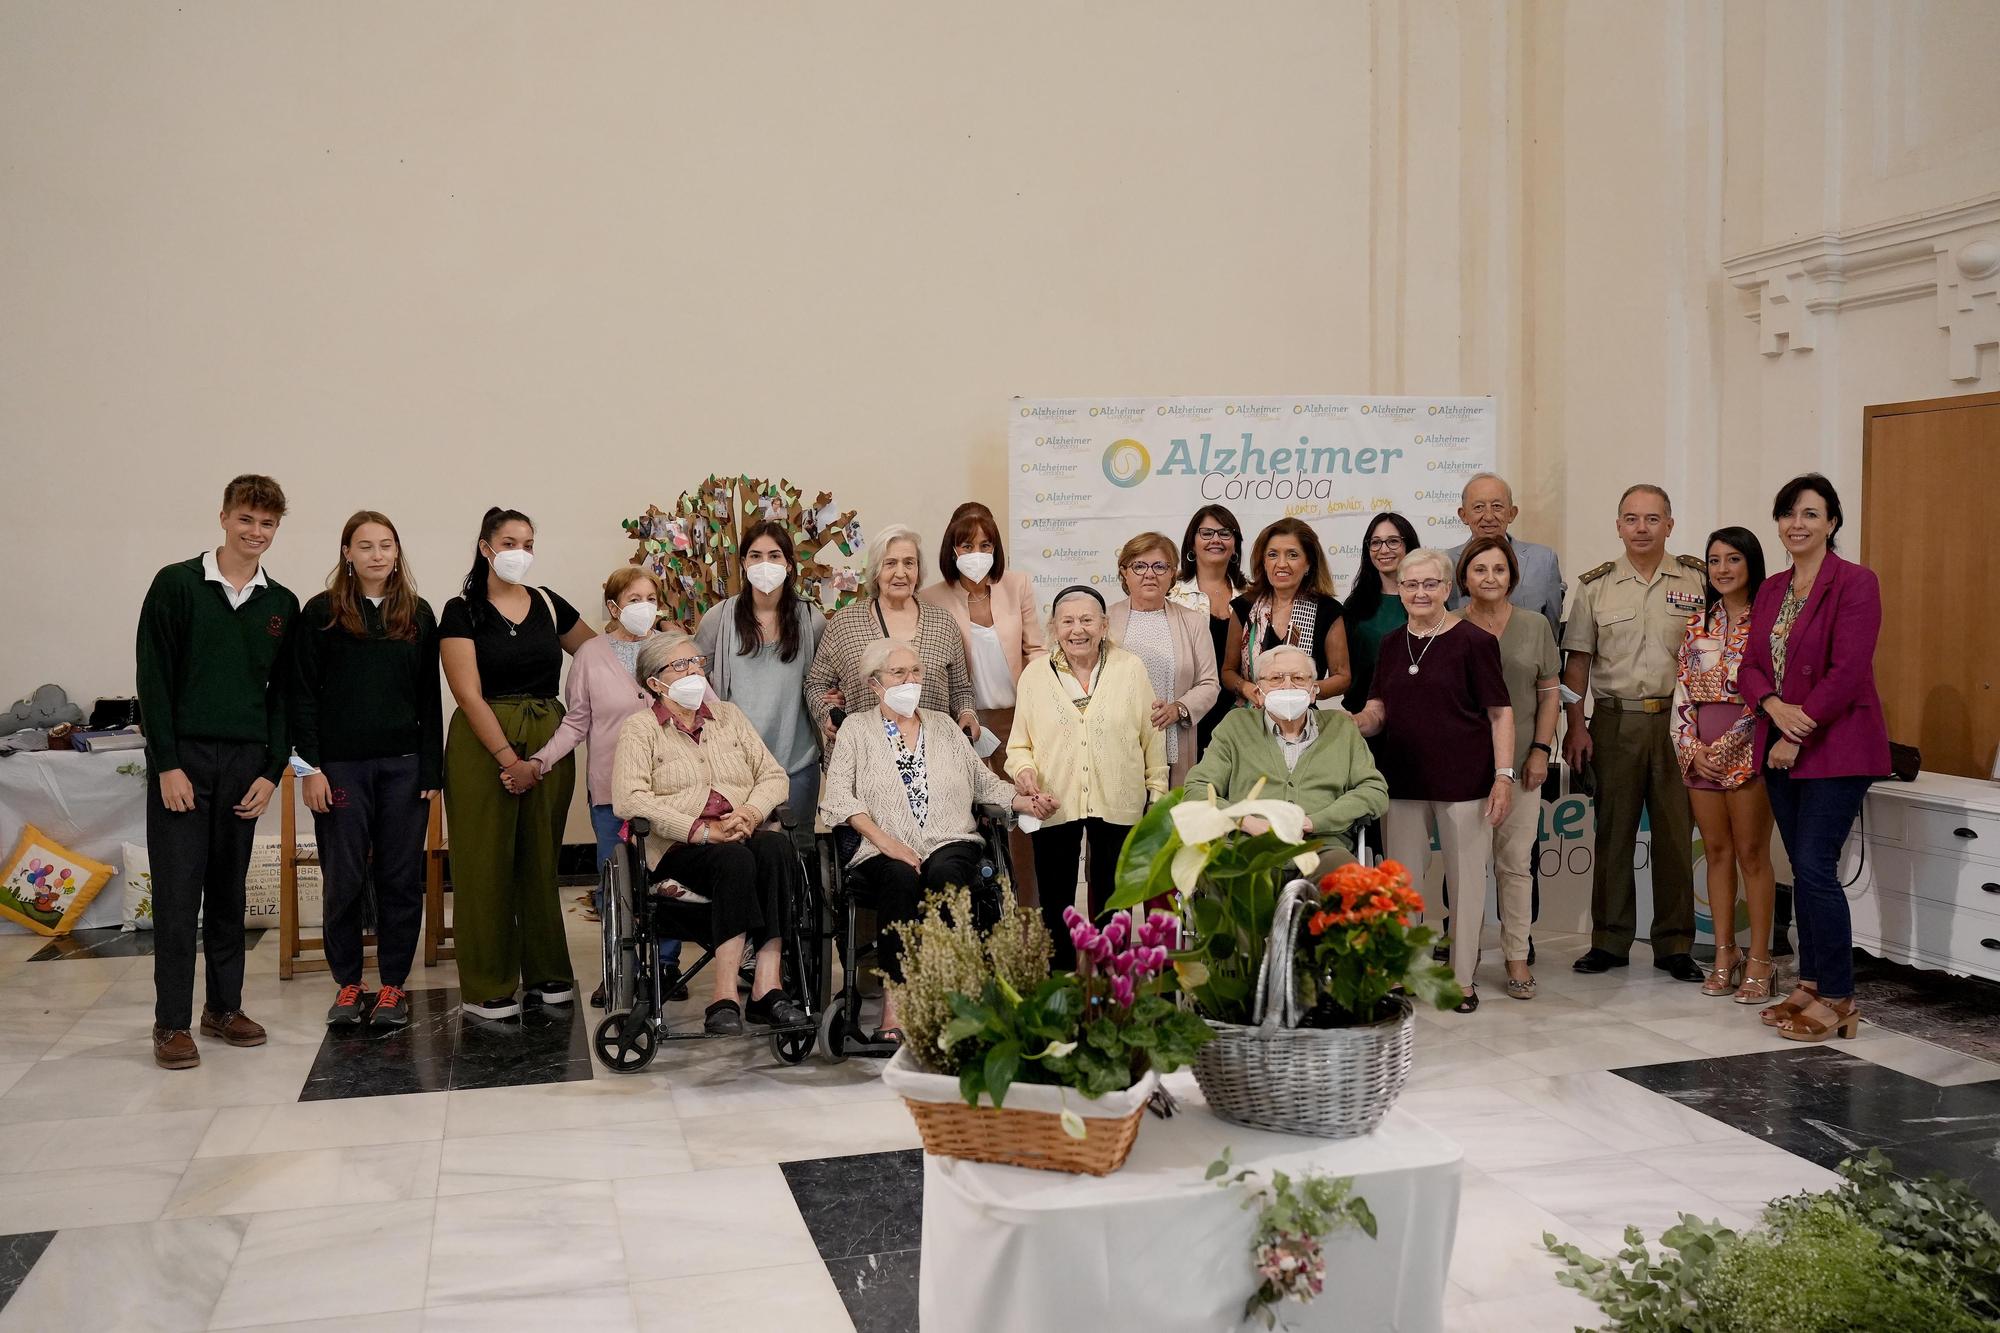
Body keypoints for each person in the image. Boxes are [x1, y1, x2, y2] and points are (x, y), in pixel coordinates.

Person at [136, 474, 299, 1069]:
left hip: (244, 765)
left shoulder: (280, 603)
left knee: (230, 893)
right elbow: (153, 678)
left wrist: (272, 768)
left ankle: (224, 1009)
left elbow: (282, 697)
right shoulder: (177, 585)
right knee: (179, 896)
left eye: (268, 524)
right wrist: (168, 764)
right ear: (225, 516)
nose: (256, 533)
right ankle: (170, 1023)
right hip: (186, 763)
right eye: (246, 520)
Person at [819, 639, 1053, 1044]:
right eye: (899, 673)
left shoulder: (944, 726)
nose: (911, 680)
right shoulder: (856, 729)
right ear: (875, 684)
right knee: (899, 878)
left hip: (949, 839)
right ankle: (896, 1006)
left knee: (945, 874)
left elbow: (984, 784)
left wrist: (1025, 802)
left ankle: (947, 999)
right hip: (882, 846)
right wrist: (886, 842)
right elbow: (839, 798)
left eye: (916, 672)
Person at [1737, 475, 1888, 1043]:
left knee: (1816, 867)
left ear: (1831, 523)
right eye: (1787, 514)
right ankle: (1811, 981)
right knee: (1800, 868)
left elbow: (1848, 671)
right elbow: (1750, 666)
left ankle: (1841, 997)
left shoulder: (1855, 583)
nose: (1796, 523)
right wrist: (1773, 706)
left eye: (1810, 513)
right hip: (1781, 745)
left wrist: (1796, 731)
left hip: (1839, 746)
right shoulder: (1773, 588)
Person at [611, 631, 810, 1036]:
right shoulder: (640, 729)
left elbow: (773, 775)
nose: (693, 672)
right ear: (655, 682)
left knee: (774, 848)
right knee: (734, 858)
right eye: (680, 665)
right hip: (679, 847)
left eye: (696, 663)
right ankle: (723, 995)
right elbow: (630, 800)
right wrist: (699, 830)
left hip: (741, 829)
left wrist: (751, 813)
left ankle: (766, 987)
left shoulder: (730, 718)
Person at [439, 507, 594, 1020]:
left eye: (528, 544)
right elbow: (466, 692)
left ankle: (547, 972)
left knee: (540, 860)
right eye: (509, 543)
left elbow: (598, 659)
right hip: (484, 746)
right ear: (485, 547)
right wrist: (509, 757)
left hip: (549, 744)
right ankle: (488, 984)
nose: (520, 553)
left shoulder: (549, 605)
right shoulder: (462, 610)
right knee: (484, 864)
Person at [290, 510, 442, 1029]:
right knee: (345, 878)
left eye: (387, 545)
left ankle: (393, 986)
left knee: (401, 878)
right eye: (365, 546)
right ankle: (349, 983)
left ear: (397, 552)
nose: (377, 555)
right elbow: (301, 698)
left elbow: (429, 699)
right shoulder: (320, 614)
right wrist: (306, 769)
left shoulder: (418, 615)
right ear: (347, 554)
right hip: (339, 770)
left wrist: (431, 773)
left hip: (404, 769)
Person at [1355, 548, 1514, 1012]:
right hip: (1401, 781)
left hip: (1465, 782)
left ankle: (1462, 980)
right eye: (1410, 584)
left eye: (1430, 584)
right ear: (1399, 589)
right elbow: (1379, 709)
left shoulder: (1475, 641)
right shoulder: (1389, 643)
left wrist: (1503, 777)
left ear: (1448, 588)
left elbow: (1500, 714)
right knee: (1402, 885)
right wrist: (1352, 723)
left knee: (1466, 884)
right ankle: (1408, 972)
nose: (1420, 592)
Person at [1561, 484, 1707, 982]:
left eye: (1651, 519)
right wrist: (1575, 726)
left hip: (1679, 722)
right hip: (1614, 721)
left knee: (1673, 835)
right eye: (1631, 519)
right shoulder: (1595, 587)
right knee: (1613, 833)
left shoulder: (1696, 580)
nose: (1641, 528)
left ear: (1670, 524)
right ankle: (1609, 941)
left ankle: (1674, 944)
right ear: (1618, 525)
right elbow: (1577, 661)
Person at [529, 566, 678, 1007]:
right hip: (612, 791)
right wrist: (540, 760)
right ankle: (619, 968)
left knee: (668, 878)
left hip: (670, 790)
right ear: (613, 606)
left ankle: (667, 964)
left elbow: (703, 702)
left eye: (651, 598)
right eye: (634, 599)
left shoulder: (672, 649)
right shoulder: (592, 655)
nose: (644, 607)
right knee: (617, 883)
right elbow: (577, 721)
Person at [1007, 585, 1167, 969]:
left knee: (1115, 894)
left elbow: (1151, 735)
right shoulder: (1034, 675)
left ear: (1104, 625)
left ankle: (1112, 974)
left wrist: (1157, 791)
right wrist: (1025, 774)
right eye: (1067, 621)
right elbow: (1018, 747)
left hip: (1120, 797)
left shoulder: (1130, 668)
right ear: (1054, 628)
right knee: (1056, 894)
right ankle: (1061, 976)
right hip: (1054, 799)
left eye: (1086, 620)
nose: (1077, 630)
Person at [1672, 527, 1778, 1004]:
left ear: (1751, 564)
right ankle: (1724, 953)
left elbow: (1773, 695)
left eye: (1733, 559)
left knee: (1752, 854)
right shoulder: (1697, 624)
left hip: (1750, 749)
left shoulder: (1772, 625)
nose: (1722, 569)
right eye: (1714, 560)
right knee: (1715, 852)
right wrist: (1692, 747)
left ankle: (1760, 959)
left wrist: (1732, 745)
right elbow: (1682, 691)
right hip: (1700, 754)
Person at [918, 502, 1043, 903]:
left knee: (1022, 819)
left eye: (986, 545)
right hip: (961, 725)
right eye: (967, 546)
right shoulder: (931, 597)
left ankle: (1026, 917)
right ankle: (976, 915)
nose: (977, 555)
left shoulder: (1017, 584)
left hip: (1016, 721)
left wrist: (1041, 705)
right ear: (952, 550)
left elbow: (1036, 650)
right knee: (968, 822)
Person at [1183, 645, 1389, 874]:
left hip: (1322, 848)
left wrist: (1312, 822)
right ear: (1259, 691)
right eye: (1276, 678)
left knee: (1344, 880)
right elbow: (1197, 788)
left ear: (1313, 690)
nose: (1288, 685)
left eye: (1299, 678)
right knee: (1223, 875)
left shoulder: (1342, 728)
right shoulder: (1235, 726)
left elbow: (1374, 790)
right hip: (1248, 845)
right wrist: (1249, 822)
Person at [1457, 536, 1558, 1000]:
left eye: (1499, 569)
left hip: (1521, 765)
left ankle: (1516, 955)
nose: (1490, 578)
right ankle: (1465, 958)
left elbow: (1549, 693)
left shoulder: (1535, 625)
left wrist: (1540, 749)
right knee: (1466, 869)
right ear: (1464, 578)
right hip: (1462, 771)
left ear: (1512, 577)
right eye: (1480, 570)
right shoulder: (1449, 626)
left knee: (1516, 866)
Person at [697, 520, 827, 851]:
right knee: (741, 855)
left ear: (789, 565)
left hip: (795, 763)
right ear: (742, 563)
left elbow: (825, 680)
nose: (764, 564)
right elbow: (694, 679)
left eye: (774, 555)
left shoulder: (811, 619)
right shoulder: (719, 618)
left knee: (796, 855)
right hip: (734, 766)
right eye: (755, 556)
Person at [807, 523, 975, 752]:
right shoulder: (844, 623)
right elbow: (816, 684)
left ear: (918, 569)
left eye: (909, 563)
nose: (900, 573)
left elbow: (960, 689)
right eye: (890, 563)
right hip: (864, 759)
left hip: (933, 758)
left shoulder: (943, 624)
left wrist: (967, 713)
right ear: (876, 570)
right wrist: (827, 714)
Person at [1107, 531, 1219, 789]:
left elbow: (1209, 683)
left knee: (1168, 822)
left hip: (1174, 739)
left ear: (1172, 573)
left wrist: (1178, 708)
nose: (1150, 574)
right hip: (1118, 743)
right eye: (1139, 566)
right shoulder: (1105, 620)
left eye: (1160, 566)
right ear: (1124, 572)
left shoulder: (1193, 622)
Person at [1221, 517, 1352, 715]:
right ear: (1263, 562)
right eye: (1273, 555)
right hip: (1250, 716)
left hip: (1303, 720)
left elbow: (1342, 677)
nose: (1281, 564)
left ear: (1308, 564)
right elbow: (1228, 672)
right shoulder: (1244, 607)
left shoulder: (1328, 611)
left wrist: (1308, 690)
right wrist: (1247, 688)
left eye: (1292, 555)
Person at [1167, 504, 1248, 755]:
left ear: (1235, 545)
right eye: (1206, 533)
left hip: (1243, 715)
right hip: (1186, 714)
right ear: (1192, 543)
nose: (1216, 540)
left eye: (1225, 533)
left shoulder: (1253, 596)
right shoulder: (1170, 595)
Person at [1443, 473, 1567, 632]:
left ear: (1512, 513)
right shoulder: (1446, 563)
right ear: (1463, 515)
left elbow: (1550, 632)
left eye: (1497, 506)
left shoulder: (1543, 560)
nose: (1488, 516)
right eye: (1478, 507)